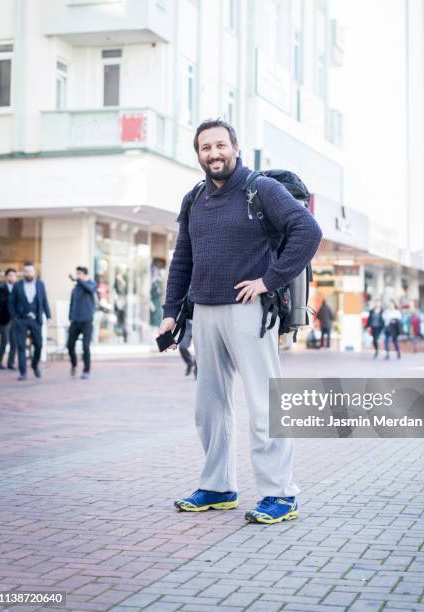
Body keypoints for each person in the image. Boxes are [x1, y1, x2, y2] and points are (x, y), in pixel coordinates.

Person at [159, 119, 322, 524]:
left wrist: (270, 280)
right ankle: (218, 486)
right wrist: (169, 313)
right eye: (204, 148)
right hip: (205, 312)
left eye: (220, 145)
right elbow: (183, 259)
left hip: (251, 311)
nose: (213, 154)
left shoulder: (261, 189)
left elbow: (308, 230)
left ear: (235, 147)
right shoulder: (194, 198)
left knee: (265, 403)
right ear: (198, 155)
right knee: (209, 408)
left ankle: (280, 494)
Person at [9, 262, 51, 381]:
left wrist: (48, 316)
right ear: (23, 272)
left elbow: (44, 301)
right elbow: (11, 303)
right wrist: (15, 318)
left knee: (38, 345)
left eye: (30, 271)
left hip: (36, 320)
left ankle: (34, 365)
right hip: (21, 320)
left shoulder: (40, 284)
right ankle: (23, 372)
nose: (28, 273)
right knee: (21, 346)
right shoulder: (17, 285)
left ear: (34, 272)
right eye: (26, 271)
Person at [67, 266, 96, 379]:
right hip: (75, 321)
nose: (77, 276)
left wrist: (78, 280)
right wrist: (70, 317)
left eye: (79, 274)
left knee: (85, 346)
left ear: (85, 275)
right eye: (76, 274)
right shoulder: (75, 289)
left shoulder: (92, 284)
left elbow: (89, 289)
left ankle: (86, 370)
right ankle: (74, 364)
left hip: (87, 321)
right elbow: (72, 304)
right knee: (69, 345)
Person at [0, 268, 17, 371]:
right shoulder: (2, 288)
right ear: (6, 277)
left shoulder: (17, 288)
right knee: (4, 341)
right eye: (9, 275)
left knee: (14, 342)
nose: (11, 277)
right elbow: (2, 302)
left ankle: (10, 363)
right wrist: (12, 296)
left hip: (15, 320)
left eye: (13, 275)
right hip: (4, 319)